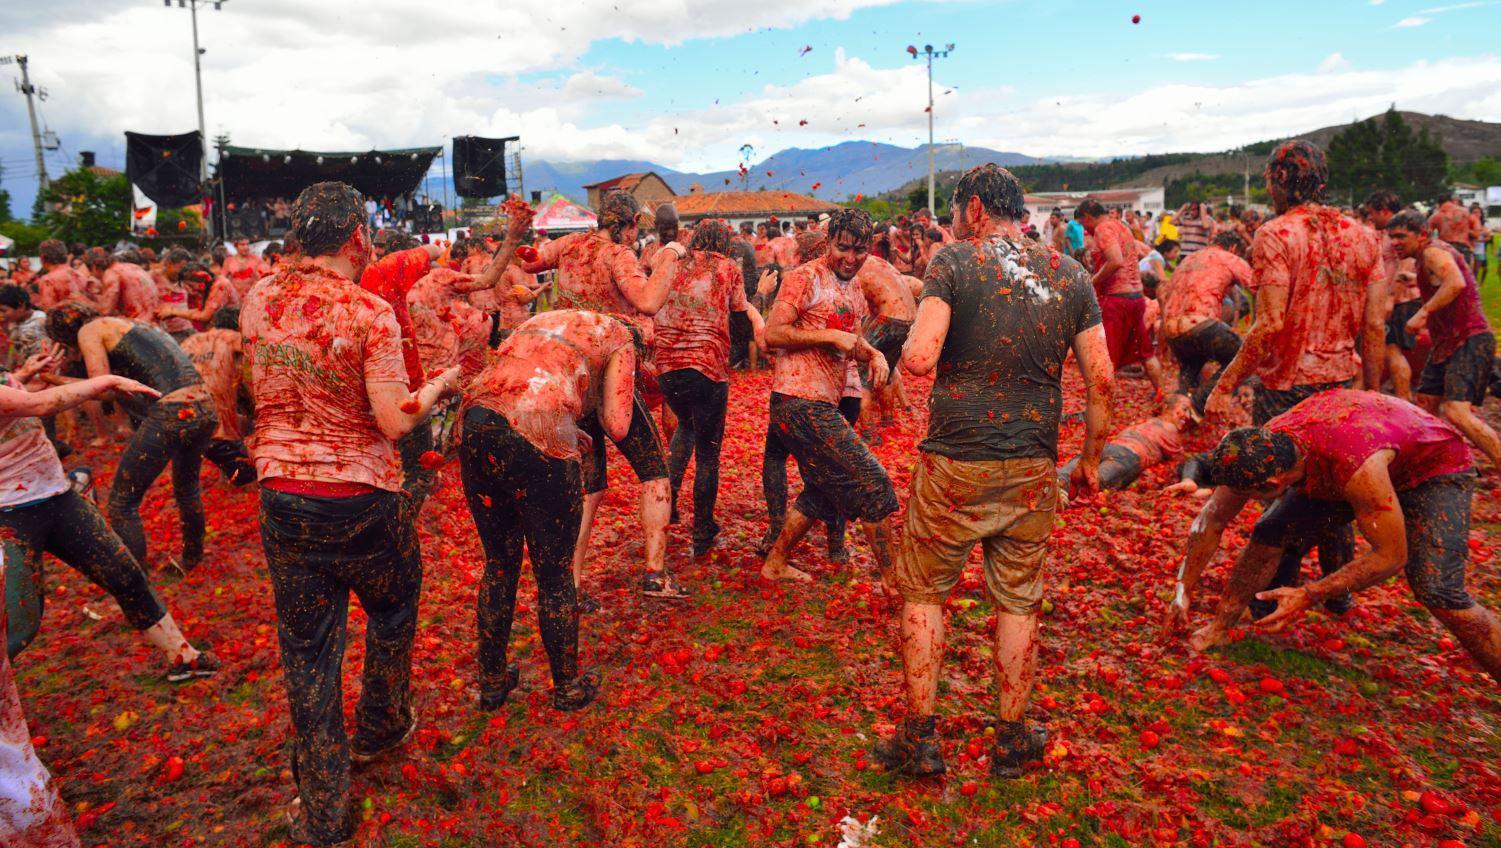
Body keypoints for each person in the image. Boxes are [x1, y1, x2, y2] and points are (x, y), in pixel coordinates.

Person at [240, 181, 463, 846]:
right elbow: (396, 422)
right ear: (357, 239)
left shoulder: (257, 300)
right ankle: (382, 724)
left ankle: (324, 810)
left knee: (307, 653)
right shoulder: (368, 312)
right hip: (361, 498)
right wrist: (446, 382)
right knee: (393, 608)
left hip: (282, 496)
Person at [872, 164, 1112, 779]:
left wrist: (892, 340)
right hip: (1032, 464)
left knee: (924, 592)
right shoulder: (1070, 274)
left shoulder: (954, 263)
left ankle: (920, 738)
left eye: (956, 211)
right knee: (1018, 600)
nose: (954, 221)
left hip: (956, 460)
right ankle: (1011, 738)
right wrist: (1087, 458)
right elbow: (1102, 380)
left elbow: (922, 359)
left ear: (974, 208)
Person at [1167, 391, 1500, 684]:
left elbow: (1391, 556)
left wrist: (1311, 593)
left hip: (1433, 465)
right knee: (1270, 530)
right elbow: (1212, 518)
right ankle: (1220, 628)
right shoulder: (1264, 447)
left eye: (1246, 495)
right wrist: (1183, 589)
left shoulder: (1356, 471)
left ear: (1271, 486)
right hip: (1353, 446)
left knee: (1437, 589)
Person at [458, 310, 639, 714]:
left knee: (499, 564)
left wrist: (566, 422)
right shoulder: (620, 338)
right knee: (555, 572)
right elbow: (618, 424)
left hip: (479, 417)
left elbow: (522, 382)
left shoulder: (552, 317)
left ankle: (491, 682)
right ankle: (567, 687)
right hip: (536, 428)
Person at [513, 190, 687, 599]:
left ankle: (571, 583)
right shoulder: (618, 255)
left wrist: (520, 241)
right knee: (654, 469)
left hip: (575, 379)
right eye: (632, 229)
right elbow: (647, 301)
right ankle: (655, 574)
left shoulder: (571, 244)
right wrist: (671, 256)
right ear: (627, 228)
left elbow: (530, 261)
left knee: (590, 484)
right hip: (611, 371)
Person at [759, 208, 897, 583]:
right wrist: (828, 336)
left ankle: (775, 562)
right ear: (828, 242)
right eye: (843, 248)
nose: (850, 258)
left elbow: (852, 339)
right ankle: (893, 581)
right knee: (873, 482)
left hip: (825, 401)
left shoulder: (852, 287)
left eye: (859, 251)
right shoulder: (805, 278)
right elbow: (773, 334)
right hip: (797, 401)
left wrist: (874, 354)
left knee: (821, 487)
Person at [45, 303, 217, 573]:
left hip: (173, 410)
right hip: (204, 404)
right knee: (187, 489)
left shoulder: (89, 331)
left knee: (121, 503)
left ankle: (138, 586)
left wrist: (51, 379)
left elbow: (102, 389)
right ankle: (191, 560)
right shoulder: (125, 322)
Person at [653, 221, 765, 556]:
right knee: (708, 453)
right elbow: (739, 309)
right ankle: (702, 530)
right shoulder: (726, 267)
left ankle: (668, 507)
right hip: (706, 369)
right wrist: (764, 293)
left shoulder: (670, 262)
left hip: (667, 368)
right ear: (725, 243)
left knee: (685, 427)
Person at [1387, 209, 1500, 467]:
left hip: (1469, 339)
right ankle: (1436, 467)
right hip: (1447, 345)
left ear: (1422, 234)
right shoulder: (1425, 256)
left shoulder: (1432, 251)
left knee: (1456, 412)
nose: (1395, 242)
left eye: (1401, 236)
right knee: (1424, 409)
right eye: (1391, 237)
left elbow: (1456, 282)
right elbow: (1444, 279)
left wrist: (1423, 313)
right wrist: (1417, 279)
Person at [1075, 199, 1166, 395]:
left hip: (1117, 300)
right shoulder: (1122, 227)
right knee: (1146, 352)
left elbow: (1115, 261)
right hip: (1136, 298)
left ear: (1088, 217)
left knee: (1107, 356)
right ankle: (1161, 393)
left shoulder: (1103, 228)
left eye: (1084, 224)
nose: (1087, 230)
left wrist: (1093, 280)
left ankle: (1103, 404)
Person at [1161, 232, 1251, 411]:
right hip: (1199, 323)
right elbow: (1259, 288)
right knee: (1246, 357)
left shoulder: (1188, 259)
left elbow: (1166, 295)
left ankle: (1177, 411)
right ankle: (1197, 404)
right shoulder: (1229, 258)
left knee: (1191, 368)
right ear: (1233, 248)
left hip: (1171, 328)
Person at [178, 306, 254, 486]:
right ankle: (242, 474)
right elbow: (251, 379)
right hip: (216, 421)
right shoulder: (234, 338)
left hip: (180, 417)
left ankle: (226, 472)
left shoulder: (189, 340)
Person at [1059, 394, 1192, 496]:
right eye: (1185, 409)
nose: (1188, 416)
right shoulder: (1170, 428)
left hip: (1106, 447)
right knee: (1093, 483)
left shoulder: (1144, 421)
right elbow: (1179, 461)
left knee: (1067, 473)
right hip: (1128, 456)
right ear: (1166, 408)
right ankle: (1058, 496)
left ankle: (1048, 484)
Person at [1364, 191, 1420, 400]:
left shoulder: (1400, 230)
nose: (1369, 218)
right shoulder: (1394, 230)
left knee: (1392, 350)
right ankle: (1401, 396)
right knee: (1390, 350)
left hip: (1402, 299)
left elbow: (1404, 264)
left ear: (1384, 211)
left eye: (1372, 214)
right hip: (1400, 298)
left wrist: (1390, 299)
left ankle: (1404, 398)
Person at [91, 249, 158, 322]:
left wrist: (88, 302)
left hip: (139, 323)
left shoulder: (111, 272)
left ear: (94, 267)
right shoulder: (132, 266)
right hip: (154, 319)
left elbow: (105, 311)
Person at [32, 239, 90, 311]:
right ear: (65, 255)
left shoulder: (48, 280)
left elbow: (49, 311)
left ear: (43, 258)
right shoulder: (80, 274)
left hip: (65, 321)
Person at [0, 286, 48, 371]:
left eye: (3, 310)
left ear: (21, 307)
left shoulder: (40, 323)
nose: (1, 314)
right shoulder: (14, 321)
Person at [1427, 195, 1480, 267]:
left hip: (1445, 249)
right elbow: (1477, 234)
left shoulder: (1436, 216)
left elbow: (1426, 234)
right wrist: (1465, 230)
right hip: (1463, 248)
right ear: (1452, 201)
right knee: (1465, 275)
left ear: (1439, 204)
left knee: (1447, 276)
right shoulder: (1466, 212)